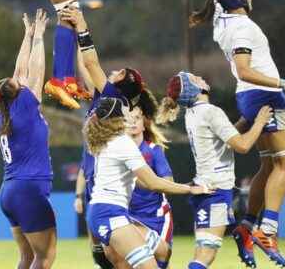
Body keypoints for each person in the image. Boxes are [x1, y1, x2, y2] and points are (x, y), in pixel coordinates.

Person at [192, 0, 285, 268]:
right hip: (264, 94)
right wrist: (284, 82)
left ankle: (246, 227)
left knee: (270, 164)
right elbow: (243, 69)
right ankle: (267, 229)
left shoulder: (224, 18)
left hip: (250, 97)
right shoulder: (243, 27)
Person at [156, 71, 273, 269]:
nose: (201, 78)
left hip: (205, 187)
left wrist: (246, 121)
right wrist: (260, 122)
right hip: (216, 190)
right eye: (195, 78)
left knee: (202, 251)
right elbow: (242, 145)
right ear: (193, 88)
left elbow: (224, 140)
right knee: (206, 255)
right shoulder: (210, 111)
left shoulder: (194, 113)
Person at [86, 97, 211, 269]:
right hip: (110, 214)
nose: (129, 115)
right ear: (118, 117)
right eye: (125, 111)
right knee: (148, 266)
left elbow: (142, 182)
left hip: (108, 212)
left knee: (161, 252)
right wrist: (190, 189)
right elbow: (153, 183)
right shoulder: (123, 143)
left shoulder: (108, 140)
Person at [0, 9, 58, 269]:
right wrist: (40, 37)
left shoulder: (5, 113)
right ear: (17, 93)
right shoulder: (26, 106)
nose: (20, 79)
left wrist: (27, 37)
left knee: (27, 257)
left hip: (10, 191)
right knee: (45, 257)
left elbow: (19, 72)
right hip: (28, 189)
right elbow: (35, 72)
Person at [105, 106, 175, 269]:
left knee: (159, 260)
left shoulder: (154, 150)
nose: (132, 122)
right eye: (128, 119)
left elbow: (168, 181)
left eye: (137, 118)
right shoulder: (116, 151)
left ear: (144, 124)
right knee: (125, 262)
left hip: (155, 216)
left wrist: (144, 178)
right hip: (129, 215)